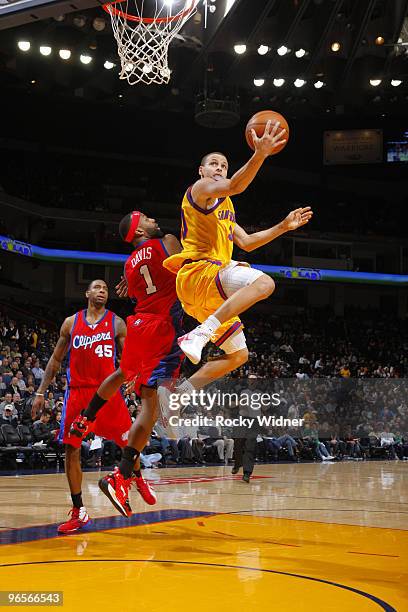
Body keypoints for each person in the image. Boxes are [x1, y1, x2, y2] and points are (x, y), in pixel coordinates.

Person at [162, 123, 313, 398]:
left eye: (224, 165)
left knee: (238, 356)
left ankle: (180, 394)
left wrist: (282, 226)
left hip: (203, 292)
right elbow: (236, 185)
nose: (219, 168)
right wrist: (261, 154)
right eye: (214, 164)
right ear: (202, 171)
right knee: (265, 283)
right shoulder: (200, 189)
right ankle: (201, 333)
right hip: (201, 272)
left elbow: (246, 242)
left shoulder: (225, 206)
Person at [69, 212, 185, 518]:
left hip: (139, 323)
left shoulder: (129, 264)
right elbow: (189, 270)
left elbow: (138, 285)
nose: (152, 219)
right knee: (152, 403)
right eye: (146, 218)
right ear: (138, 229)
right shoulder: (168, 242)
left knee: (121, 374)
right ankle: (121, 475)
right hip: (162, 326)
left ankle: (87, 416)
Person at [31, 280, 132, 534]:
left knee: (130, 442)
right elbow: (55, 360)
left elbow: (129, 359)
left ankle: (125, 483)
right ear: (87, 293)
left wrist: (136, 381)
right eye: (97, 287)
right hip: (77, 392)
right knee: (71, 447)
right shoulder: (71, 322)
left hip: (106, 393)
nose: (102, 291)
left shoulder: (117, 323)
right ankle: (79, 511)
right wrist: (41, 392)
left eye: (106, 289)